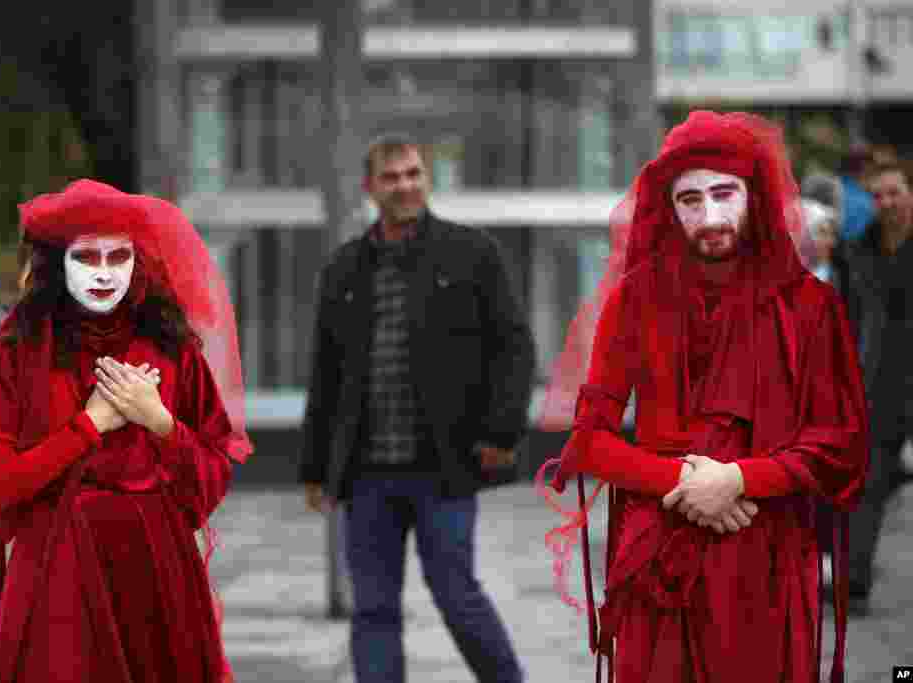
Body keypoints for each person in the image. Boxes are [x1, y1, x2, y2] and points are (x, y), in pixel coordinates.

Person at [539, 111, 868, 683]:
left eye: (724, 194)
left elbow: (839, 441)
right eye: (690, 200)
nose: (709, 216)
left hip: (765, 561)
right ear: (668, 209)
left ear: (755, 197)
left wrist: (739, 480)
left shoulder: (810, 307)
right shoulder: (635, 301)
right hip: (658, 563)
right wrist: (687, 484)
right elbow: (589, 441)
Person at [0, 179, 251, 682]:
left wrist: (159, 422)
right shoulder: (14, 353)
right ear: (56, 264)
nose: (105, 273)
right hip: (58, 569)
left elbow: (211, 479)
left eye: (119, 256)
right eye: (88, 257)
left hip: (158, 571)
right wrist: (91, 424)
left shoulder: (172, 347)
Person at [299, 134, 535, 683]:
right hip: (366, 474)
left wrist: (501, 429)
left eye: (413, 174)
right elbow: (326, 375)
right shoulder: (343, 271)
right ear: (370, 187)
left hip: (444, 465)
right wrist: (315, 468)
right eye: (392, 177)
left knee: (457, 594)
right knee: (374, 608)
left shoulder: (472, 254)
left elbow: (515, 347)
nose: (404, 185)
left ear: (427, 180)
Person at [837, 162, 913, 605]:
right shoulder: (857, 252)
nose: (886, 203)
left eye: (894, 193)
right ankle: (854, 581)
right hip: (876, 386)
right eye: (878, 196)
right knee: (867, 485)